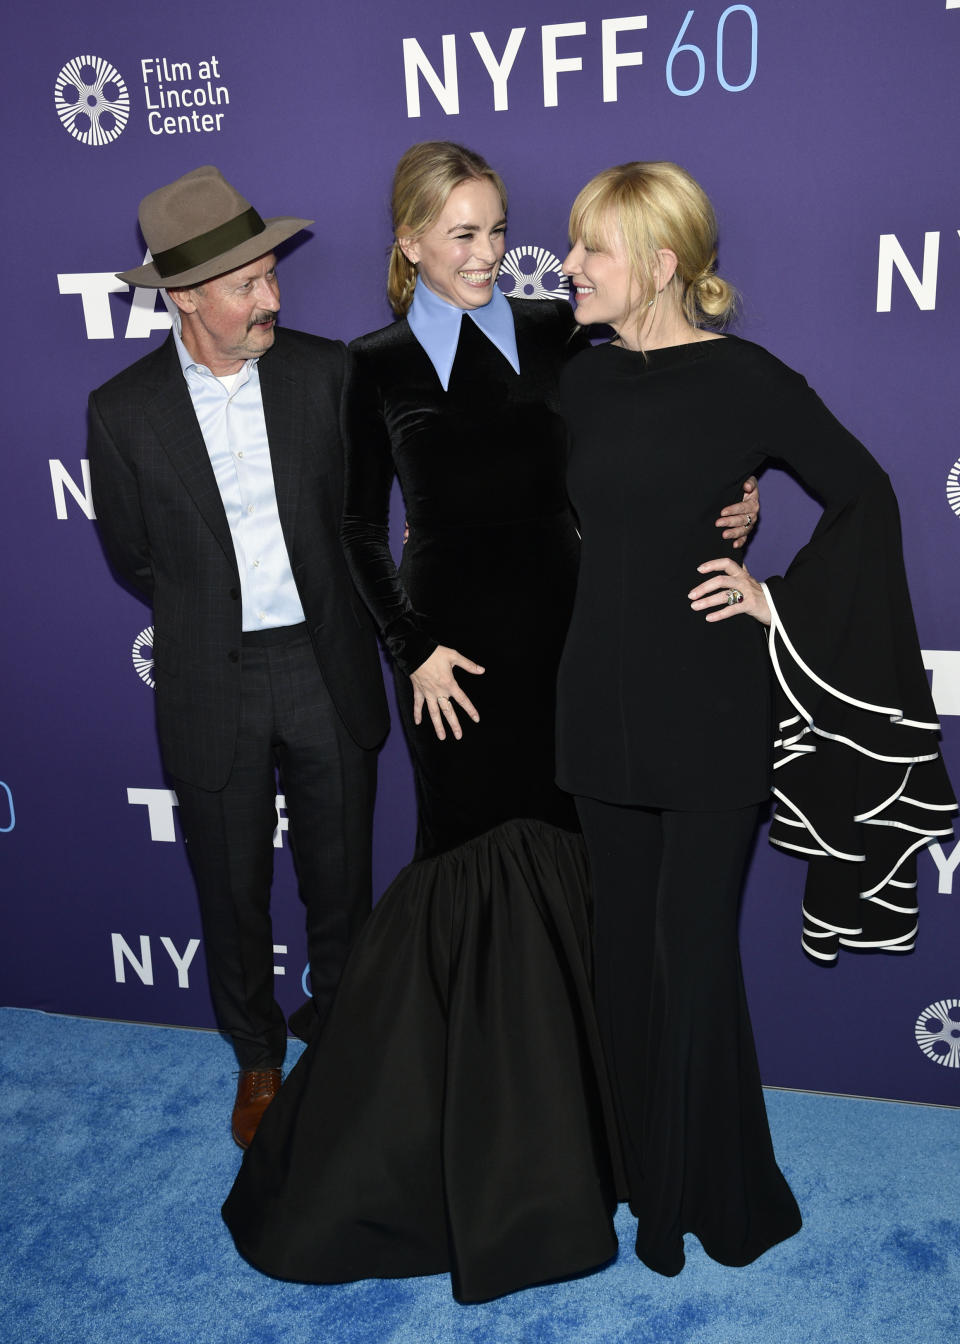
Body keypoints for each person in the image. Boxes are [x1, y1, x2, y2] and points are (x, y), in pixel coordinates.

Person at [222, 141, 759, 1303]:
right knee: (473, 874)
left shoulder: (565, 334)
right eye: (459, 233)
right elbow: (357, 532)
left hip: (580, 645)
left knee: (588, 874)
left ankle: (607, 1139)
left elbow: (659, 429)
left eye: (496, 228)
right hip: (455, 664)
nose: (486, 253)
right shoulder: (370, 367)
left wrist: (739, 490)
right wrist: (413, 652)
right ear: (408, 242)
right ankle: (487, 1158)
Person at [555, 160, 957, 1278]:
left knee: (690, 957)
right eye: (572, 244)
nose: (569, 265)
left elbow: (866, 494)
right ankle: (635, 1174)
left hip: (709, 705)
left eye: (593, 248)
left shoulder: (750, 382)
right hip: (595, 703)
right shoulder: (573, 377)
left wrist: (776, 591)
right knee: (624, 957)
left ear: (663, 264)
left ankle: (694, 1198)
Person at [88, 166, 389, 1149]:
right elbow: (135, 557)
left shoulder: (325, 372)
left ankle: (342, 1038)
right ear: (184, 299)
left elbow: (359, 521)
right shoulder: (122, 412)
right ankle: (258, 1055)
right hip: (211, 679)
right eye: (249, 284)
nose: (273, 297)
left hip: (322, 663)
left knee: (341, 876)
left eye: (271, 275)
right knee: (228, 885)